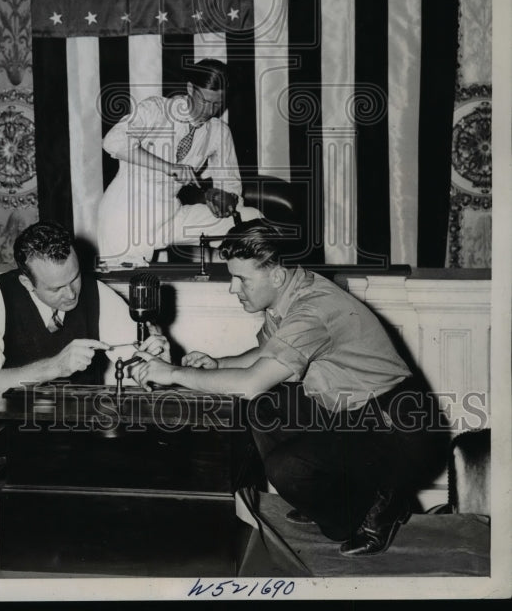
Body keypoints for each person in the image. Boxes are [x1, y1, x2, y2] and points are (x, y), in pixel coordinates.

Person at [131, 220, 437, 557]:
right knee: (262, 408)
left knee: (285, 468)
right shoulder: (291, 291)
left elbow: (250, 383)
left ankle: (381, 505)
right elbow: (266, 354)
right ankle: (336, 495)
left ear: (275, 276)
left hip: (398, 430)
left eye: (241, 279)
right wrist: (218, 364)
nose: (233, 289)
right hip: (356, 412)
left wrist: (173, 373)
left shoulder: (313, 310)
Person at [0, 221, 168, 477]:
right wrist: (55, 366)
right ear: (26, 282)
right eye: (56, 288)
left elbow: (139, 364)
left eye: (75, 277)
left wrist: (157, 359)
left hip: (69, 444)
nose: (70, 294)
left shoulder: (97, 293)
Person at [97, 58, 260, 267]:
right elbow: (112, 141)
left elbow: (231, 184)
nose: (209, 111)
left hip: (170, 213)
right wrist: (169, 167)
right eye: (205, 102)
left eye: (218, 104)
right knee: (132, 288)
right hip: (127, 214)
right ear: (190, 89)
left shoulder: (219, 131)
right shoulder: (156, 109)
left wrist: (226, 197)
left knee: (251, 221)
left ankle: (248, 284)